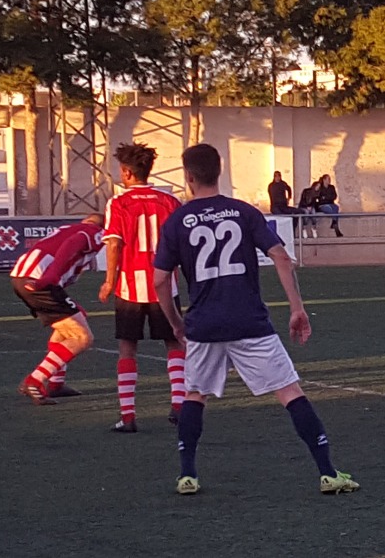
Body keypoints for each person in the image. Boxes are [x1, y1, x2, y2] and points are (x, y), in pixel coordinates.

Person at [153, 143, 359, 496]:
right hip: (249, 320)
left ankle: (187, 475)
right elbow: (280, 256)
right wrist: (296, 308)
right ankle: (328, 473)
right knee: (289, 391)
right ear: (219, 172)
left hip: (203, 324)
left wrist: (175, 322)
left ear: (188, 177)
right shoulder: (243, 212)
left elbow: (160, 280)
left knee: (195, 394)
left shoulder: (176, 221)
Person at [99, 142, 184, 432]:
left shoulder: (118, 203)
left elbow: (114, 244)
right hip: (165, 285)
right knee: (174, 343)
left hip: (130, 287)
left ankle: (128, 416)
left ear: (126, 172)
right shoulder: (170, 201)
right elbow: (181, 245)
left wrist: (109, 280)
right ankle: (179, 405)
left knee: (127, 349)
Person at [13, 214, 105, 405]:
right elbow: (75, 242)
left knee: (68, 326)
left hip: (23, 276)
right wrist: (51, 277)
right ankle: (34, 380)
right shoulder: (94, 232)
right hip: (40, 280)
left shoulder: (66, 228)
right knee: (82, 338)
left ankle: (56, 384)